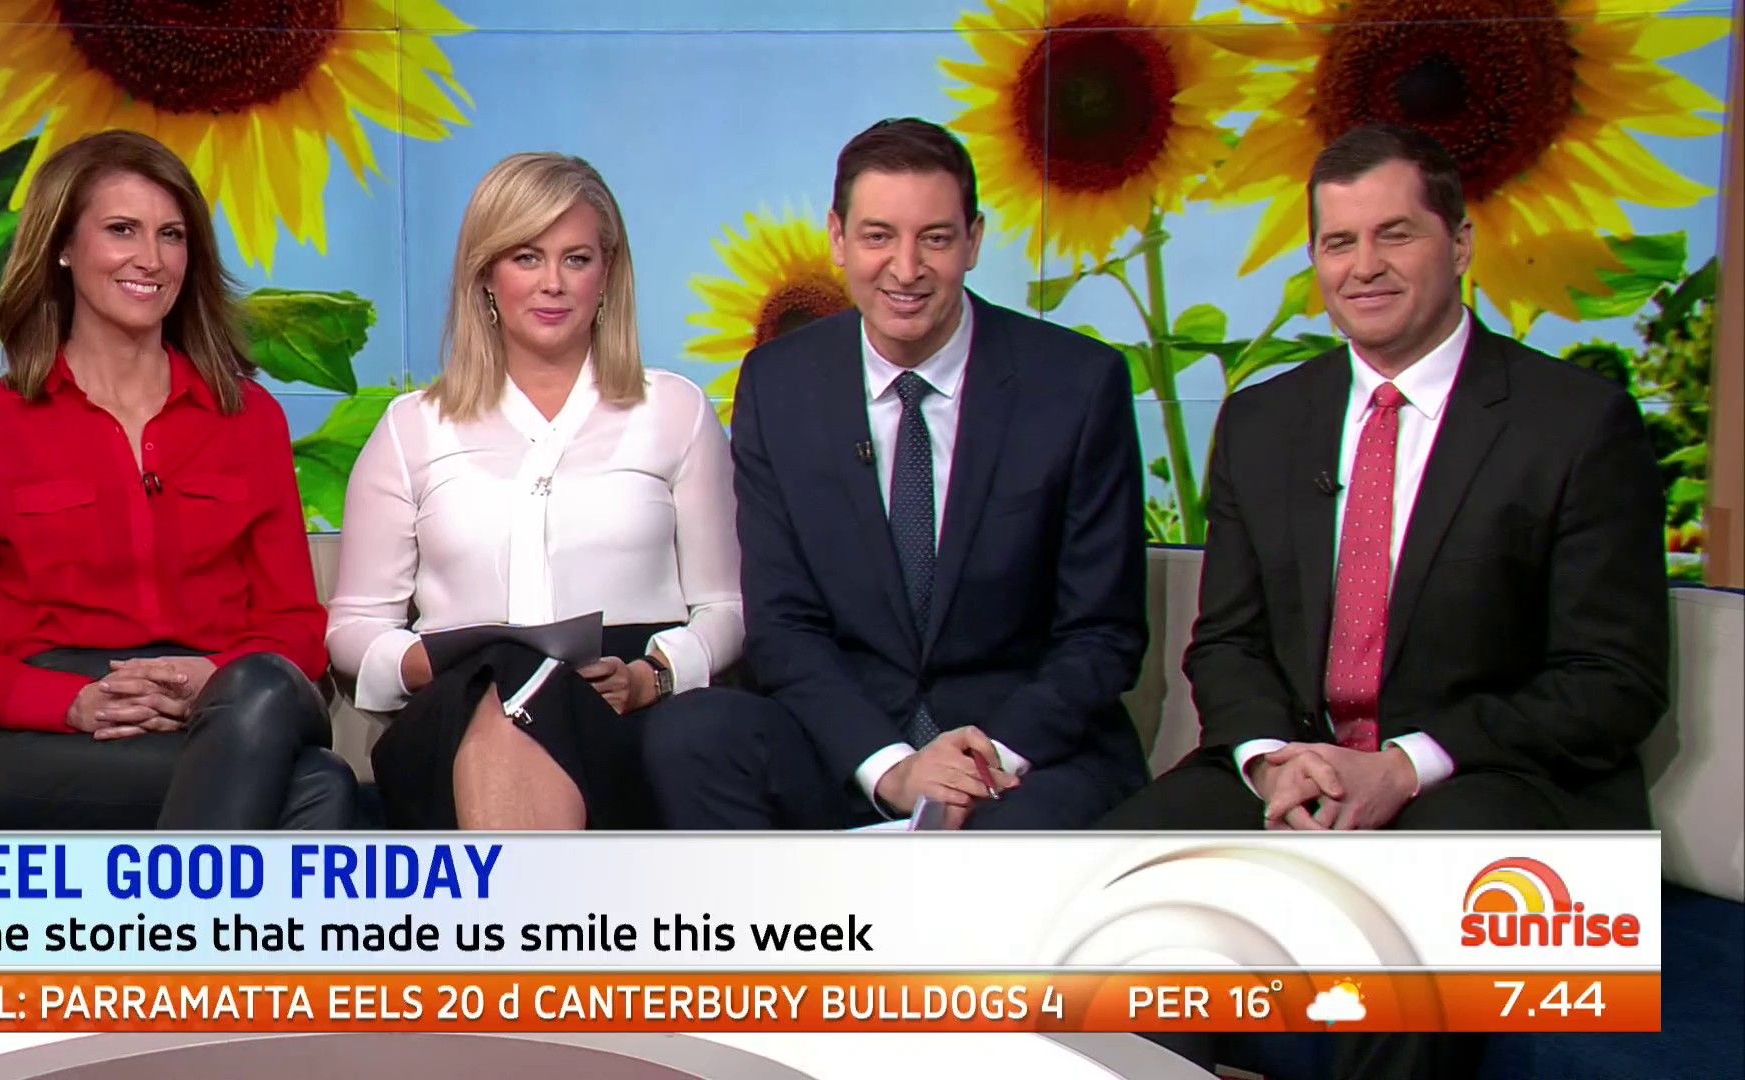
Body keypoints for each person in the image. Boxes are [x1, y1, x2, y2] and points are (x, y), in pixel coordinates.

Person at [1101, 124, 1669, 1078]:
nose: (1363, 266)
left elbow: (1613, 681)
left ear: (1461, 242)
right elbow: (1228, 644)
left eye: (1394, 234)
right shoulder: (1265, 419)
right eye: (1338, 242)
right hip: (1301, 766)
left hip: (1493, 780)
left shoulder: (1575, 423)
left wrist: (1405, 766)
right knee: (1101, 887)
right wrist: (1271, 761)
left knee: (1396, 922)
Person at [648, 118, 1149, 830]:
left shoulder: (1076, 384)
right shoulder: (779, 383)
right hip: (849, 745)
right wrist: (891, 768)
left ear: (974, 241)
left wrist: (979, 764)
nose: (906, 269)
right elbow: (784, 625)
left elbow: (1101, 634)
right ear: (838, 238)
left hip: (1021, 753)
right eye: (879, 236)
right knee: (692, 736)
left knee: (1007, 837)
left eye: (935, 239)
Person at [0, 129, 356, 830]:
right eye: (122, 230)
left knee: (266, 693)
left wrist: (211, 678)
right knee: (317, 787)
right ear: (63, 246)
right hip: (61, 734)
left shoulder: (248, 417)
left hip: (223, 702)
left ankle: (176, 902)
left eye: (171, 235)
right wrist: (70, 702)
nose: (151, 259)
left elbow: (294, 625)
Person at [327, 152, 741, 831]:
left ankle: (517, 898)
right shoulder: (412, 428)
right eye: (526, 257)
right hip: (456, 702)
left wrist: (654, 675)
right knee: (505, 688)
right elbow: (354, 628)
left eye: (576, 259)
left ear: (607, 275)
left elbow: (725, 608)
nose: (553, 283)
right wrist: (419, 664)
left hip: (623, 707)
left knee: (543, 703)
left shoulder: (675, 411)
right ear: (486, 276)